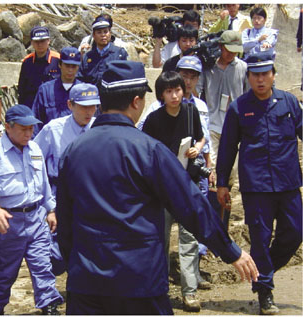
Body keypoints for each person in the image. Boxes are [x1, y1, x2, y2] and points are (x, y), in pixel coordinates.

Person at [56, 60, 258, 315]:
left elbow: (64, 220)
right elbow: (191, 205)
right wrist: (230, 251)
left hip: (86, 284)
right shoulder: (148, 150)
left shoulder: (74, 151)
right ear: (136, 101)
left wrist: (76, 264)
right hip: (139, 282)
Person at [216, 51, 302, 315]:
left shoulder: (289, 103)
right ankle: (265, 289)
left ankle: (262, 271)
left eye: (266, 74)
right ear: (249, 77)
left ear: (273, 75)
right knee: (260, 239)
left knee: (295, 232)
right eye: (256, 75)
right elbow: (228, 148)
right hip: (256, 187)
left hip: (287, 184)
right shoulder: (239, 108)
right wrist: (222, 183)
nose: (261, 80)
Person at [0, 104, 63, 315]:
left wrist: (50, 210)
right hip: (7, 223)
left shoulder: (35, 149)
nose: (29, 133)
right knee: (4, 273)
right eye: (23, 129)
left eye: (31, 129)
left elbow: (43, 185)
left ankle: (49, 307)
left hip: (36, 219)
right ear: (8, 126)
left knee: (43, 266)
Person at [142, 71, 206, 312]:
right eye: (168, 91)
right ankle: (160, 290)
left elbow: (200, 138)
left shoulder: (191, 113)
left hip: (187, 184)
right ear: (161, 95)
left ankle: (189, 292)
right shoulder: (154, 120)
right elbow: (144, 151)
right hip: (163, 189)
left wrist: (196, 150)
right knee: (161, 239)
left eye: (177, 90)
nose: (174, 95)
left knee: (189, 239)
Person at [34, 83, 99, 276]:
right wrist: (47, 206)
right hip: (60, 196)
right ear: (70, 105)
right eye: (83, 106)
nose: (89, 112)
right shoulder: (53, 130)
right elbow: (35, 163)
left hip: (91, 198)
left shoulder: (100, 128)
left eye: (93, 106)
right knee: (57, 257)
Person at [196, 30, 249, 227]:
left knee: (231, 176)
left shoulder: (242, 68)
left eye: (235, 51)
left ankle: (223, 223)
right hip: (212, 127)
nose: (231, 54)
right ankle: (212, 225)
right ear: (220, 47)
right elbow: (196, 89)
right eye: (228, 50)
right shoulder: (208, 67)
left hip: (235, 128)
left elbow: (247, 94)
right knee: (212, 174)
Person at [32, 46, 83, 133]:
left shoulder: (83, 91)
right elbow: (36, 121)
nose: (70, 70)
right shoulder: (45, 90)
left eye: (74, 66)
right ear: (60, 64)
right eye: (67, 65)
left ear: (78, 67)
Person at [77, 16, 128, 86]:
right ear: (94, 36)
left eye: (105, 32)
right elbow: (80, 78)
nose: (103, 35)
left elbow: (125, 79)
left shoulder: (119, 54)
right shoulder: (87, 57)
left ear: (110, 33)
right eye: (99, 32)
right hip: (91, 95)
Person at [17, 26, 61, 109]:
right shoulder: (27, 62)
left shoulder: (58, 60)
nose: (40, 44)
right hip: (32, 106)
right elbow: (22, 90)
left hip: (52, 106)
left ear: (48, 41)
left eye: (42, 41)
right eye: (36, 41)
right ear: (32, 42)